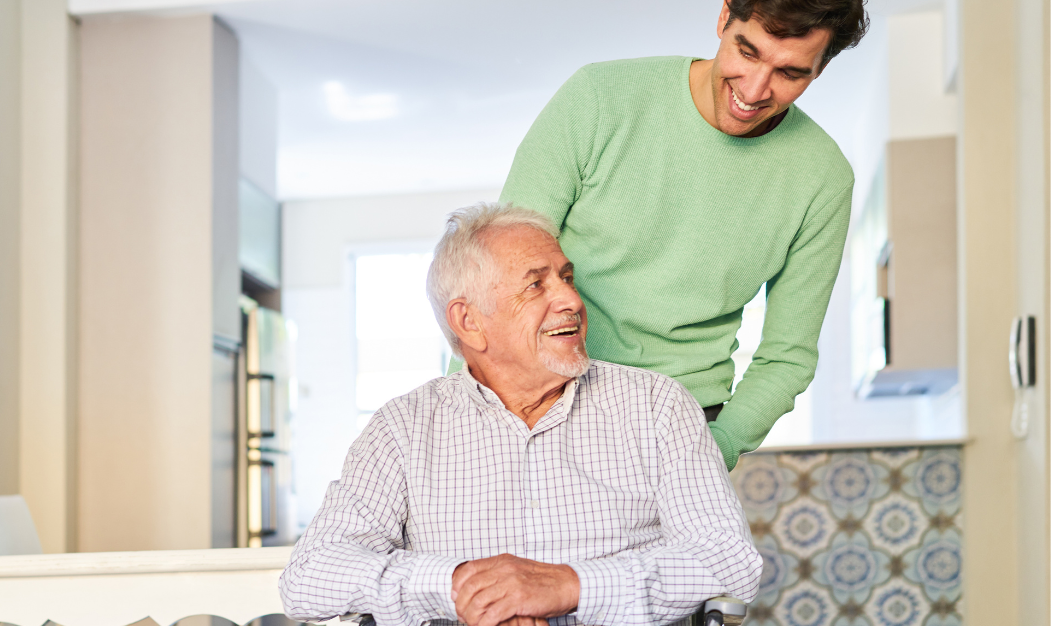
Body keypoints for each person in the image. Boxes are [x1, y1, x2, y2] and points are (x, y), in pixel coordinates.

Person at [280, 204, 761, 626]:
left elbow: (729, 559)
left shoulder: (656, 406)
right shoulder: (402, 429)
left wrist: (570, 585)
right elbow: (309, 577)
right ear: (469, 322)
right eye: (536, 285)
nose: (572, 300)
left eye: (566, 278)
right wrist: (462, 588)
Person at [489, 0, 869, 470]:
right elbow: (499, 274)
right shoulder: (600, 97)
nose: (754, 90)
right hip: (539, 408)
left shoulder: (823, 178)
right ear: (724, 17)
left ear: (821, 68)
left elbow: (786, 356)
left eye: (789, 73)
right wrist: (470, 415)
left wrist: (716, 448)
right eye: (746, 52)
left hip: (681, 429)